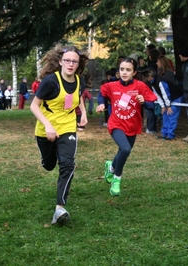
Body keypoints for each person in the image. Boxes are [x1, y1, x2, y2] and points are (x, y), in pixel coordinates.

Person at [30, 44, 88, 225]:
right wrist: (47, 125)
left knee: (67, 164)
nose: (71, 64)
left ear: (78, 64)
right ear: (61, 62)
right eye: (68, 60)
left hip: (68, 128)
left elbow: (78, 98)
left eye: (75, 61)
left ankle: (60, 208)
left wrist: (83, 113)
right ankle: (50, 155)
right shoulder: (50, 82)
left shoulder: (80, 81)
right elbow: (33, 105)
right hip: (45, 130)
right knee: (49, 165)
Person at [96, 57, 157, 196]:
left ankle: (110, 167)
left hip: (133, 125)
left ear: (134, 72)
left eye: (128, 70)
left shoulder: (140, 86)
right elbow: (102, 94)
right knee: (125, 148)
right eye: (122, 69)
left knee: (123, 151)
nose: (124, 72)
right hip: (116, 123)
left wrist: (143, 102)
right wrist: (101, 104)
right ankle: (117, 179)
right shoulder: (112, 85)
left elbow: (151, 106)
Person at [142, 68, 183, 140]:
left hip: (176, 97)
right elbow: (157, 95)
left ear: (150, 76)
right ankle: (164, 133)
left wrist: (168, 106)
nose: (145, 78)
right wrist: (163, 106)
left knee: (171, 114)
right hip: (167, 99)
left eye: (146, 76)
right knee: (165, 114)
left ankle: (170, 135)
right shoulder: (152, 83)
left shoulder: (160, 81)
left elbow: (165, 94)